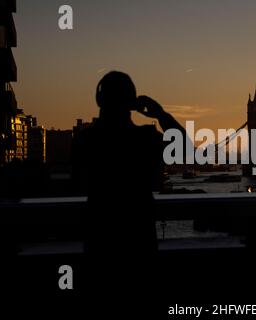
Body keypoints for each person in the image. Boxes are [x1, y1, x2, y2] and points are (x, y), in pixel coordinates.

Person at [72, 71, 186, 296]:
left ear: (99, 100)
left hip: (99, 240)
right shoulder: (146, 138)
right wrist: (159, 113)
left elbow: (78, 183)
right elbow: (184, 146)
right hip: (140, 241)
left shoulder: (85, 139)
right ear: (132, 103)